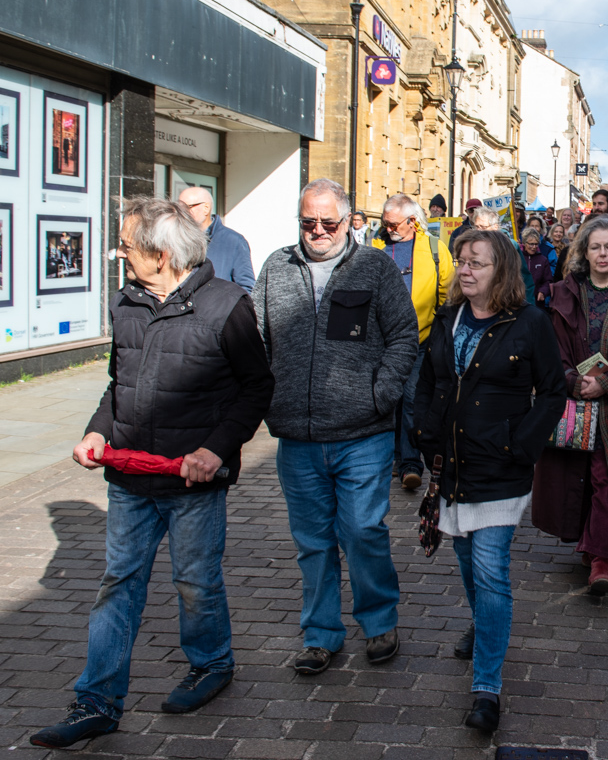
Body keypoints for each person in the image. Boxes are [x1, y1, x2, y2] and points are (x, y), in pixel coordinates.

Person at [30, 198, 274, 749]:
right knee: (118, 583)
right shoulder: (126, 303)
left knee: (195, 581)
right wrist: (98, 431)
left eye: (126, 246)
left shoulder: (227, 305)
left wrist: (216, 450)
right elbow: (119, 384)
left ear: (161, 254)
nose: (120, 254)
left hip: (192, 480)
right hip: (130, 479)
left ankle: (211, 664)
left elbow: (257, 387)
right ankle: (96, 701)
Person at [253, 179, 420, 676]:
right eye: (309, 222)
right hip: (297, 436)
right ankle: (320, 633)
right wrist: (266, 395)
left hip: (362, 433)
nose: (318, 231)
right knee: (313, 541)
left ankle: (379, 620)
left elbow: (404, 335)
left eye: (329, 222)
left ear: (348, 222)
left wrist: (379, 395)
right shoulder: (276, 268)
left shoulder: (374, 267)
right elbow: (256, 339)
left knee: (363, 530)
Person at [411, 229, 566, 734]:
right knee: (465, 559)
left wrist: (520, 446)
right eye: (461, 260)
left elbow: (552, 392)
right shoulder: (449, 318)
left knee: (490, 569)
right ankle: (484, 625)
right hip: (452, 466)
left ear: (501, 270)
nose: (464, 269)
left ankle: (486, 688)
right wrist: (424, 433)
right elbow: (430, 380)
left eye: (476, 262)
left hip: (501, 467)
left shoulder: (530, 323)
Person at [534, 217, 608, 595]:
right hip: (575, 400)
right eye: (596, 247)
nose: (603, 254)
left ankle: (601, 559)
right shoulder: (564, 293)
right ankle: (588, 540)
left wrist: (606, 383)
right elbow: (552, 346)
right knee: (578, 474)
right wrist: (572, 380)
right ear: (584, 252)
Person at [371, 194, 455, 491]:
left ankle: (409, 463)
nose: (388, 229)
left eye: (393, 224)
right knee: (383, 401)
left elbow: (447, 293)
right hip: (380, 341)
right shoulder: (374, 247)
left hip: (420, 340)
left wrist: (439, 332)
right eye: (385, 223)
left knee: (410, 401)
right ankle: (386, 460)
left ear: (412, 221)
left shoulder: (434, 248)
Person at [178, 186, 255, 292]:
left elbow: (246, 288)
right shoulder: (176, 240)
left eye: (187, 207)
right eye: (179, 208)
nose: (182, 213)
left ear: (206, 208)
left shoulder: (234, 241)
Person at [520, 228, 553, 306]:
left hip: (537, 301)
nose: (534, 247)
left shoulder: (543, 260)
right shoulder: (518, 258)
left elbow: (548, 280)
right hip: (520, 299)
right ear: (524, 243)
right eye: (531, 244)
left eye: (536, 244)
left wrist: (543, 291)